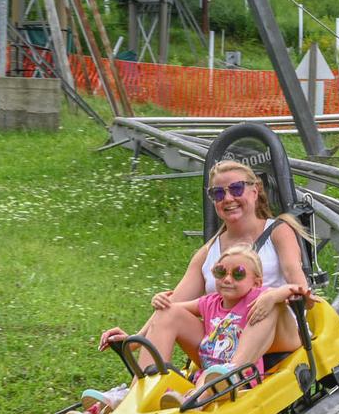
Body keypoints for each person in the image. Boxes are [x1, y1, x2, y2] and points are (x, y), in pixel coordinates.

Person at [97, 158, 313, 373]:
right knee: (168, 313)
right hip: (226, 336)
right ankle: (141, 393)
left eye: (236, 189)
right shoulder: (209, 252)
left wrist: (275, 296)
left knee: (268, 301)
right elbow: (173, 304)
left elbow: (301, 290)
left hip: (277, 332)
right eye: (218, 194)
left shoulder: (279, 231)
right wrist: (133, 340)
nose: (228, 198)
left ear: (254, 191)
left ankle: (231, 374)